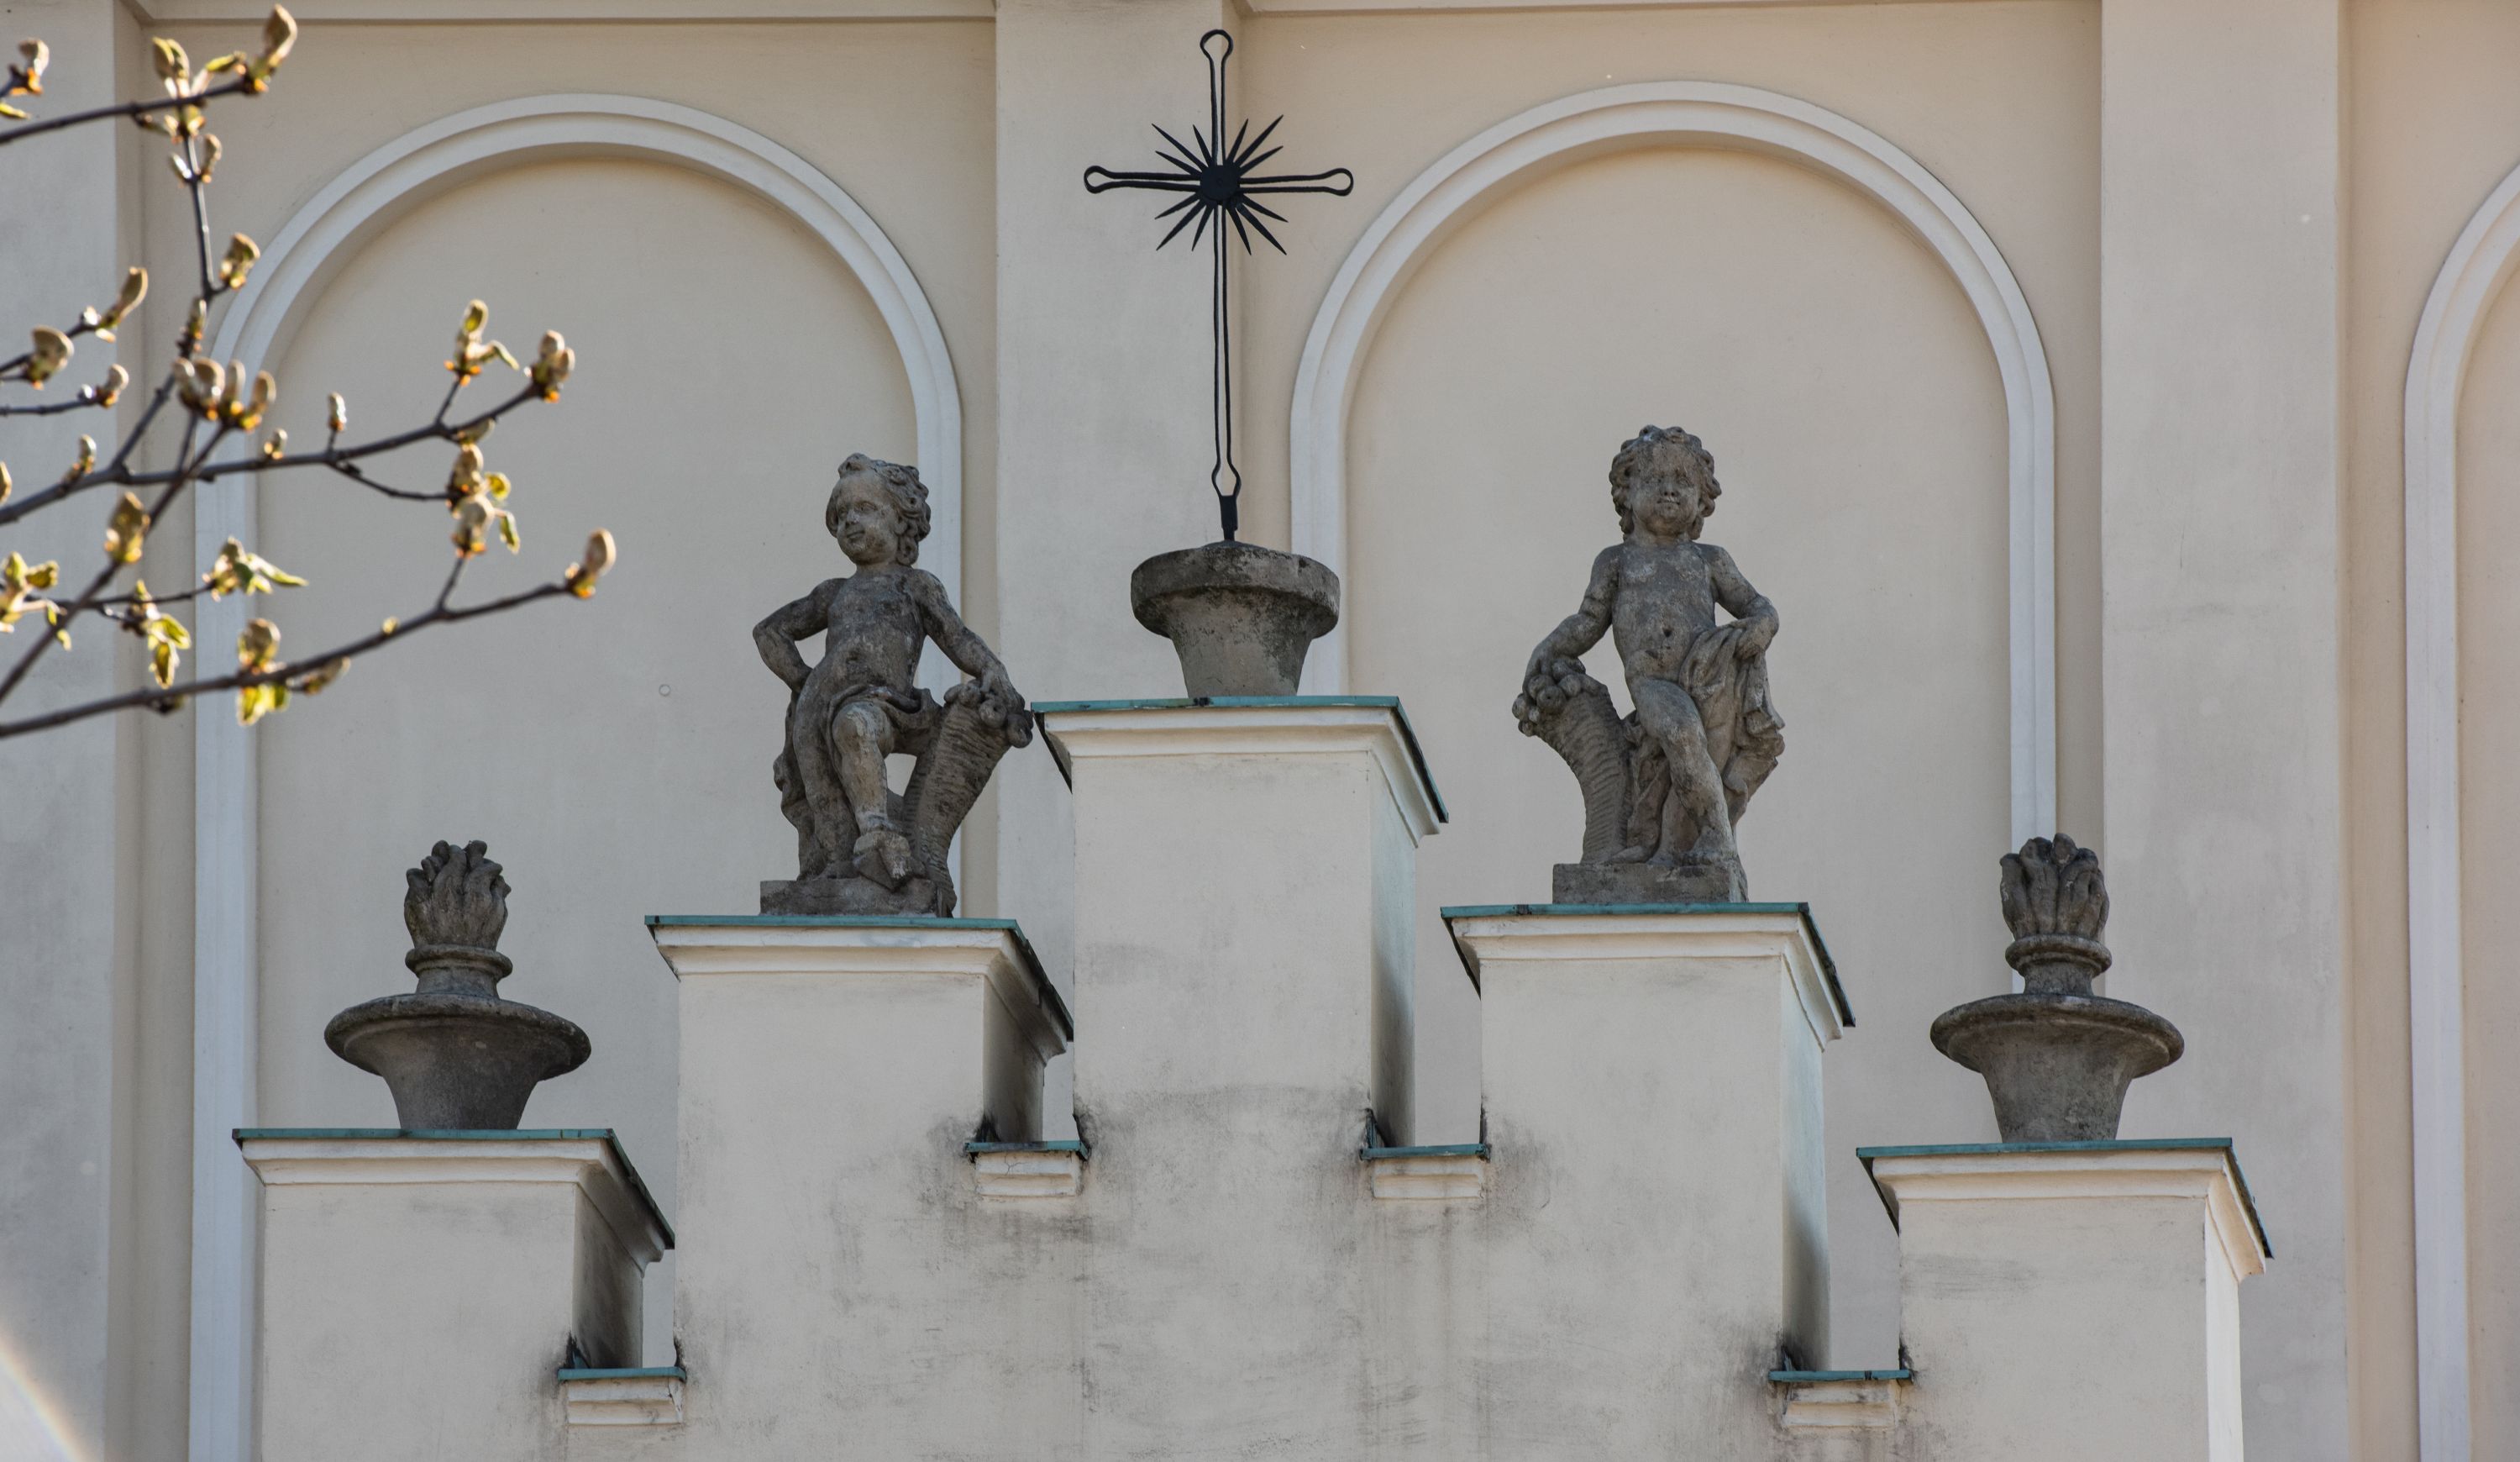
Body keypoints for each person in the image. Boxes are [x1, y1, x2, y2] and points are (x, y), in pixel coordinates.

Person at [1521, 425, 1783, 872]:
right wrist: (1547, 649)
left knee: (1703, 758)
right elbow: (1588, 621)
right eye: (1655, 478)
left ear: (1702, 497)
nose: (1669, 490)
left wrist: (1763, 624)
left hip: (1709, 676)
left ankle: (1686, 844)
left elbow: (1756, 605)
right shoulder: (1617, 561)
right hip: (1653, 680)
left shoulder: (1710, 560)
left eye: (1682, 480)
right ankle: (1716, 836)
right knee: (1681, 733)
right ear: (1627, 492)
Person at [753, 455, 1023, 888]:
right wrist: (805, 682)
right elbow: (769, 632)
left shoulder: (915, 586)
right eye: (842, 513)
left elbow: (956, 637)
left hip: (893, 706)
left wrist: (993, 669)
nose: (850, 521)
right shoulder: (834, 593)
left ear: (900, 520)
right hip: (828, 705)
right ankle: (851, 848)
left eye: (865, 508)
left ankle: (879, 831)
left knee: (855, 725)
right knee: (842, 739)